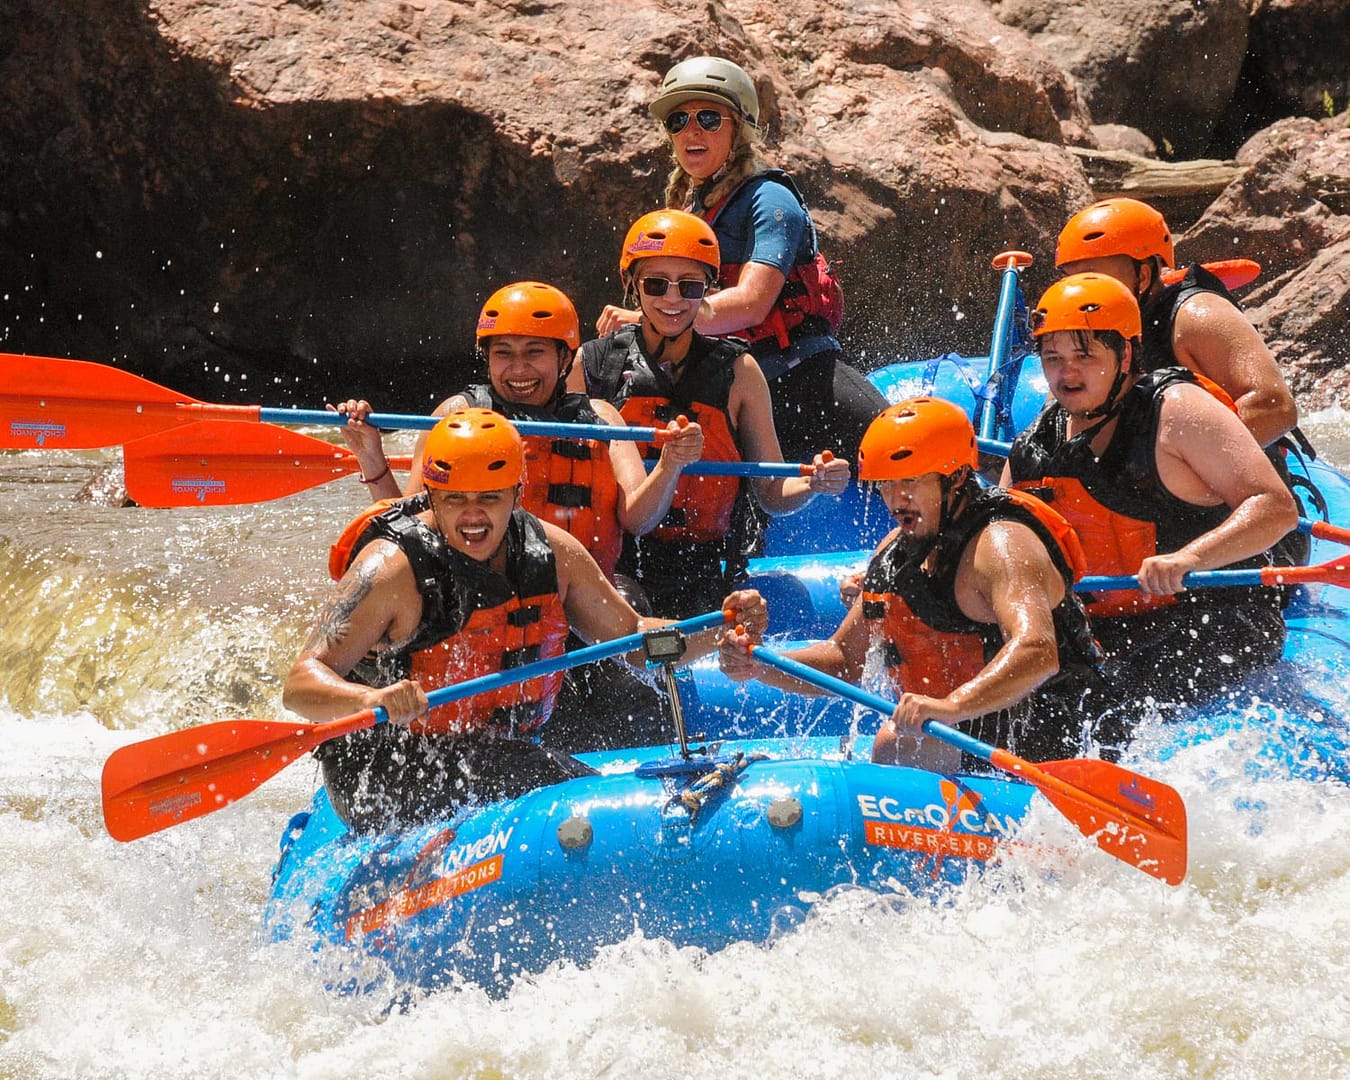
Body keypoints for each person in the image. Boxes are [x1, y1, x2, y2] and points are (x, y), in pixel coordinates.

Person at [284, 408, 766, 831]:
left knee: (525, 761)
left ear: (517, 491)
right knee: (530, 769)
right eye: (454, 499)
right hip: (384, 769)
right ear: (431, 494)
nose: (472, 517)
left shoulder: (554, 553)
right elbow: (301, 683)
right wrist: (372, 697)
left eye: (488, 498)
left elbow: (635, 644)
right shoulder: (390, 570)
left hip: (492, 754)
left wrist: (719, 632)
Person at [720, 397, 1106, 771]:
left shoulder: (1001, 544)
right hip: (974, 735)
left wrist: (950, 706)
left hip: (1068, 740)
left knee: (906, 743)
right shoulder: (895, 554)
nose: (896, 499)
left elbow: (1038, 649)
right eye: (886, 484)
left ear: (955, 477)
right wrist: (759, 663)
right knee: (902, 743)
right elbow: (844, 659)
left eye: (911, 481)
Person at [1002, 273, 1298, 714]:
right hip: (1112, 621)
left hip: (1213, 614)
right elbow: (997, 530)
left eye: (1084, 355)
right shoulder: (1040, 443)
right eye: (1052, 357)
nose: (1067, 373)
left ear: (1125, 355)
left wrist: (1190, 558)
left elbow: (1275, 508)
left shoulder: (1177, 409)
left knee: (1111, 711)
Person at [593, 55, 887, 464]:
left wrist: (650, 318)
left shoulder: (770, 199)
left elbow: (753, 303)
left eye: (709, 118)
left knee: (903, 445)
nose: (691, 131)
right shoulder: (688, 212)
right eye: (678, 121)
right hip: (731, 386)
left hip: (804, 374)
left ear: (740, 128)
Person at [572, 208, 852, 619]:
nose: (672, 299)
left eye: (688, 286)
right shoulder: (593, 366)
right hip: (615, 567)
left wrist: (813, 481)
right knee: (627, 611)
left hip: (704, 570)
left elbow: (772, 494)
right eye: (655, 284)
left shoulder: (739, 372)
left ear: (708, 289)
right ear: (631, 285)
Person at [331, 281, 703, 589]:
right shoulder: (455, 417)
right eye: (503, 353)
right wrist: (372, 458)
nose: (518, 369)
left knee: (632, 606)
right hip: (482, 597)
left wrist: (670, 465)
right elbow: (410, 528)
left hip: (585, 594)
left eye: (534, 352)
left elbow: (638, 519)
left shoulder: (601, 418)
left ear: (564, 359)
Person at [1055, 197, 1297, 449]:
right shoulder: (1089, 326)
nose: (1081, 292)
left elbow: (1274, 407)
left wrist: (1170, 465)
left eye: (1095, 278)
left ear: (1144, 276)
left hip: (1221, 472)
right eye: (1073, 281)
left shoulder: (1195, 315)